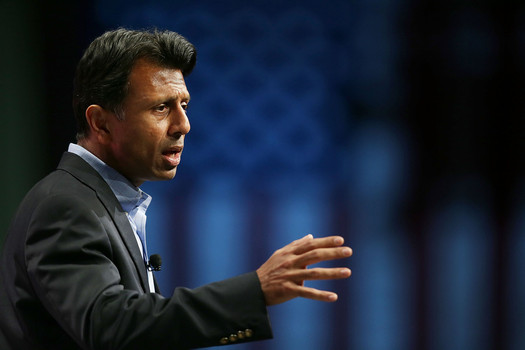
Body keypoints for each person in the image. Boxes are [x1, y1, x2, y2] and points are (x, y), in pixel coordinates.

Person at [0, 28, 352, 350]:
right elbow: (110, 327)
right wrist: (253, 291)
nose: (183, 124)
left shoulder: (100, 202)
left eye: (183, 105)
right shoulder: (66, 205)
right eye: (161, 107)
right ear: (101, 122)